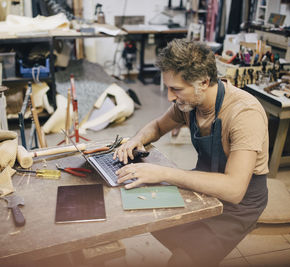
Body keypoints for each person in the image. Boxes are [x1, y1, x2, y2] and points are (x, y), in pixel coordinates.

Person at [113, 40, 269, 266]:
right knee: (145, 212)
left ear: (204, 82)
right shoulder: (189, 104)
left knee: (182, 260)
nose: (170, 97)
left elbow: (234, 189)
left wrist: (163, 173)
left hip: (240, 203)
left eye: (176, 89)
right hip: (202, 182)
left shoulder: (244, 113)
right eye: (168, 88)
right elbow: (157, 127)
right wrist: (136, 140)